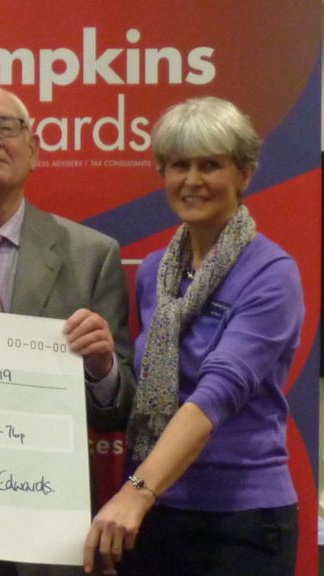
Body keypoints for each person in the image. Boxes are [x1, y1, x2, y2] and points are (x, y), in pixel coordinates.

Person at [83, 97, 303, 576]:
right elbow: (151, 390)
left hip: (240, 521)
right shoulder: (154, 273)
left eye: (211, 165)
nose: (193, 180)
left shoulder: (272, 273)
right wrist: (101, 367)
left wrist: (136, 491)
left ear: (244, 174)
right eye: (179, 165)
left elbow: (215, 395)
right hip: (157, 513)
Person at [0, 84, 136, 576]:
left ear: (34, 150)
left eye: (8, 126)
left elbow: (117, 411)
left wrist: (102, 368)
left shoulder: (91, 255)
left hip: (44, 525)